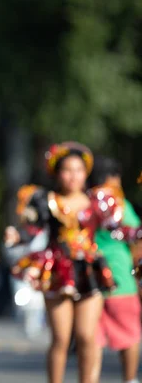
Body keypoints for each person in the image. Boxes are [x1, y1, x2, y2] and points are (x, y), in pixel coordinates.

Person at [6, 142, 142, 383]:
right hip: (57, 270)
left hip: (90, 271)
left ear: (86, 173)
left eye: (79, 170)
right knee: (61, 338)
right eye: (67, 170)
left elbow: (117, 230)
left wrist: (137, 233)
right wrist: (17, 236)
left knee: (87, 336)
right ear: (57, 173)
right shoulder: (45, 200)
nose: (73, 176)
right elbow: (32, 229)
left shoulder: (98, 201)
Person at [89, 157, 141, 383]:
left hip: (88, 278)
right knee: (129, 334)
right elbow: (137, 237)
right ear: (111, 178)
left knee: (93, 337)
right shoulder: (118, 203)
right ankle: (129, 380)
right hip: (120, 276)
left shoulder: (84, 202)